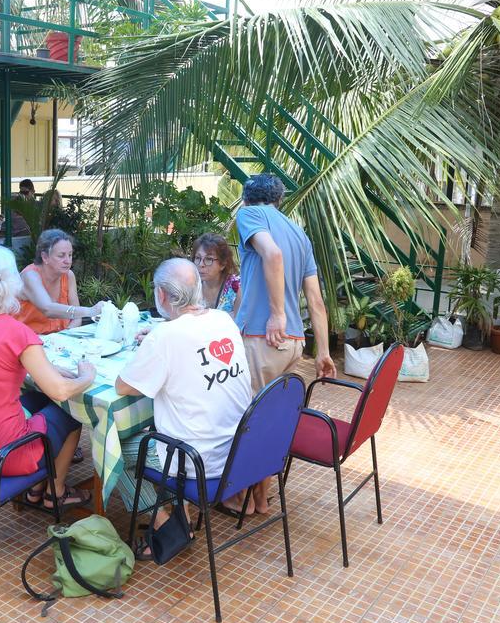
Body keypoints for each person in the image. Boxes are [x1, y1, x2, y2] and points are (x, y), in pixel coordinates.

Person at [114, 258, 252, 553]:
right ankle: (181, 513)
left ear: (161, 295)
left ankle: (167, 524)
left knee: (113, 449)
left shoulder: (165, 337)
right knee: (175, 423)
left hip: (199, 464)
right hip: (241, 453)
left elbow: (122, 386)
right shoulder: (222, 320)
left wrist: (156, 343)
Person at [0, 246, 93, 510]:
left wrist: (48, 368)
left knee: (36, 398)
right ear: (13, 283)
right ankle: (56, 493)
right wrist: (86, 377)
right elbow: (61, 391)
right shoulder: (16, 332)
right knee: (72, 412)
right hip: (6, 455)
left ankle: (36, 489)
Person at [229, 173, 336, 515]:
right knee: (270, 421)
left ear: (247, 200)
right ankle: (262, 498)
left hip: (264, 337)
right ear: (279, 201)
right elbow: (316, 302)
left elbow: (271, 256)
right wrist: (323, 351)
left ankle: (244, 499)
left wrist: (276, 314)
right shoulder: (298, 232)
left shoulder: (249, 215)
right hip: (293, 345)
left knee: (246, 421)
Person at [15, 229, 103, 335]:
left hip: (59, 341)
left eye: (70, 255)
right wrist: (90, 311)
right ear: (45, 257)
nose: (68, 261)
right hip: (29, 343)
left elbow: (77, 318)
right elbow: (48, 309)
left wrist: (64, 336)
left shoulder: (69, 275)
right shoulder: (30, 276)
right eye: (61, 256)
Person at [192, 233, 241, 317]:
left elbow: (240, 325)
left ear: (223, 264)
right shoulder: (191, 286)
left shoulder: (236, 288)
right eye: (198, 258)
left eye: (209, 259)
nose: (201, 264)